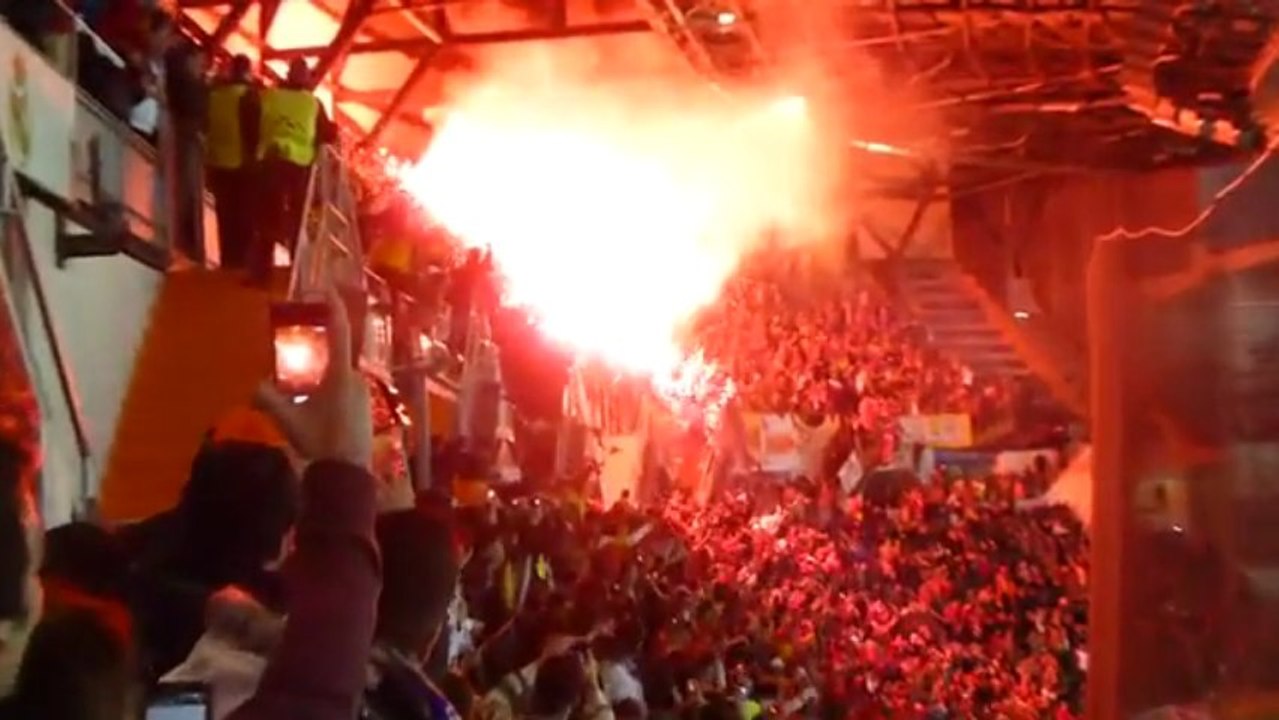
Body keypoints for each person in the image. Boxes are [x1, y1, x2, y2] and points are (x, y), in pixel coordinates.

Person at [246, 58, 336, 286]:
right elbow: (327, 134)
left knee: (266, 219)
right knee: (297, 221)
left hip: (270, 160)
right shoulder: (313, 104)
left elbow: (252, 123)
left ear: (287, 74)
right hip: (298, 166)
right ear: (306, 78)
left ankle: (260, 275)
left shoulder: (270, 96)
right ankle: (300, 276)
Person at [205, 54, 255, 270]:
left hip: (218, 165)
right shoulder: (249, 96)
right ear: (247, 72)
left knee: (224, 219)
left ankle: (228, 262)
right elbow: (253, 132)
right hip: (241, 166)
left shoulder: (215, 95)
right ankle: (241, 264)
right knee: (243, 219)